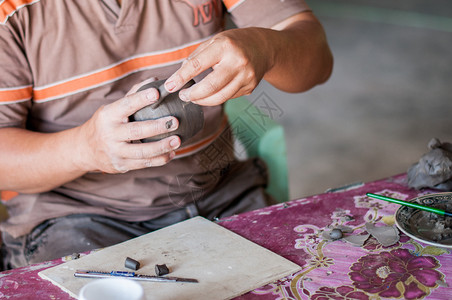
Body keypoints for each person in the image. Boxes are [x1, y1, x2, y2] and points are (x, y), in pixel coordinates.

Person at [0, 0, 333, 269]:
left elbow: (317, 61)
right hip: (75, 218)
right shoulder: (11, 12)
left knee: (314, 273)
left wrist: (268, 48)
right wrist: (85, 149)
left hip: (219, 191)